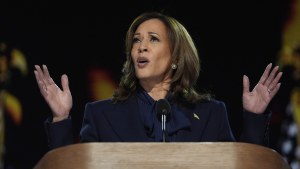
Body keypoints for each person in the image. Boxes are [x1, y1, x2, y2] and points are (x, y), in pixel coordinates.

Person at [34, 11, 282, 150]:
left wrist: (254, 118)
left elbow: (244, 166)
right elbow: (69, 167)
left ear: (175, 56)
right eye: (136, 40)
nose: (141, 47)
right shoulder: (100, 115)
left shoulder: (211, 114)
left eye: (153, 39)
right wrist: (60, 118)